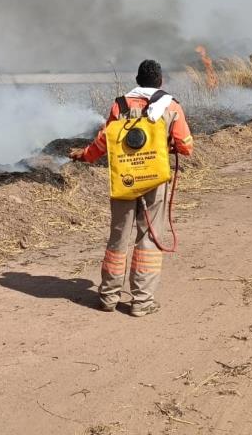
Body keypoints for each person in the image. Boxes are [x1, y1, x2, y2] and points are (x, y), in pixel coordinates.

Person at [70, 59, 194, 316]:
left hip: (124, 180)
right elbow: (186, 146)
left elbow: (103, 142)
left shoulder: (120, 105)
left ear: (137, 81)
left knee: (118, 237)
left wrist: (83, 155)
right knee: (148, 237)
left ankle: (108, 297)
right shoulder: (171, 106)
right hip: (153, 180)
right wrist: (167, 145)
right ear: (160, 81)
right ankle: (141, 302)